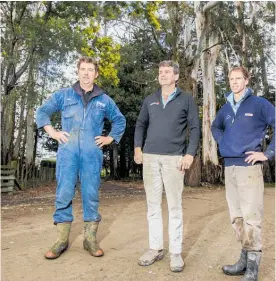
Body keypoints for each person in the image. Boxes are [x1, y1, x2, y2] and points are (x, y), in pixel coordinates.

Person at [36, 56, 126, 259]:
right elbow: (42, 111)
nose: (86, 73)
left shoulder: (104, 100)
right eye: (83, 69)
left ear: (96, 73)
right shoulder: (65, 95)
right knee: (64, 193)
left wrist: (110, 137)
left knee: (91, 194)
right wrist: (53, 133)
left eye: (90, 69)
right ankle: (61, 240)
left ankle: (90, 240)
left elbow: (119, 120)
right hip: (68, 154)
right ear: (77, 72)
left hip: (91, 155)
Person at [134, 60, 200, 272]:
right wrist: (137, 148)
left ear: (176, 76)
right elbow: (140, 124)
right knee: (153, 206)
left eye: (167, 72)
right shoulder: (150, 99)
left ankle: (175, 253)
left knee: (174, 207)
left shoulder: (186, 99)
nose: (163, 75)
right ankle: (155, 249)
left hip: (174, 159)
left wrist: (189, 154)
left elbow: (195, 128)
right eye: (160, 72)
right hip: (150, 158)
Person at [211, 66, 275, 281]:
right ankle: (243, 260)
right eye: (231, 78)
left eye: (238, 78)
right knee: (236, 217)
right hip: (230, 168)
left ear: (247, 80)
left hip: (249, 168)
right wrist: (224, 142)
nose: (234, 82)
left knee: (251, 217)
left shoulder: (259, 104)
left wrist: (268, 153)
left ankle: (253, 269)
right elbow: (215, 127)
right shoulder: (227, 107)